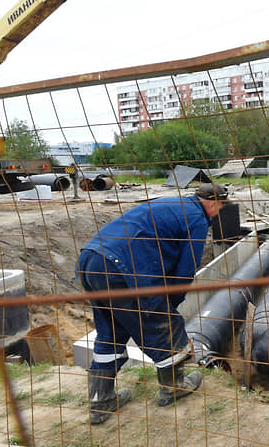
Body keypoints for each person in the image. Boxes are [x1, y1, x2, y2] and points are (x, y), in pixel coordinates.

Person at [75, 182, 229, 424]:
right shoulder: (197, 219)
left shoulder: (172, 203)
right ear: (211, 203)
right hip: (122, 268)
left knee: (111, 332)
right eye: (219, 207)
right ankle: (174, 387)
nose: (218, 212)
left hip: (90, 259)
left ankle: (101, 400)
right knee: (167, 327)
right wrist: (171, 303)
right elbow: (186, 271)